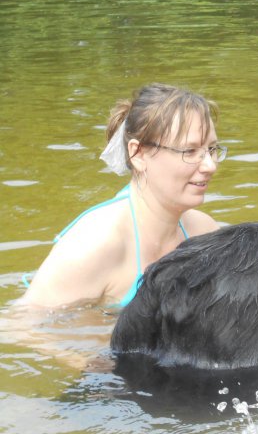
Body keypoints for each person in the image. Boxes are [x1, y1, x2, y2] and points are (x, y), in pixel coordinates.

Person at [21, 83, 225, 308]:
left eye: (212, 149)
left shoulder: (205, 233)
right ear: (137, 153)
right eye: (189, 151)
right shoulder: (94, 243)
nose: (210, 165)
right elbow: (24, 327)